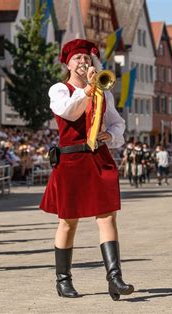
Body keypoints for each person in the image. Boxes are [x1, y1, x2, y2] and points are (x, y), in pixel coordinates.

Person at [39, 39, 134, 300]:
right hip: (70, 161)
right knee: (68, 222)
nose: (84, 62)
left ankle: (115, 278)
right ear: (67, 63)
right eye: (78, 58)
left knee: (107, 217)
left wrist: (110, 135)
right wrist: (88, 89)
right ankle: (63, 280)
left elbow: (118, 123)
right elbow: (69, 112)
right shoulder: (60, 89)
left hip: (97, 157)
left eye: (87, 58)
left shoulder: (104, 90)